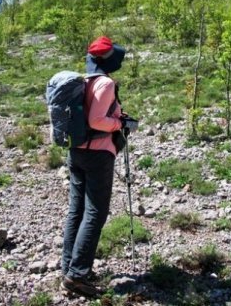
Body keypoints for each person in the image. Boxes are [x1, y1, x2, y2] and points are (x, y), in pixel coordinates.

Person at [61, 36, 138, 298]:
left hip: (76, 151)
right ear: (106, 60)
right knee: (95, 213)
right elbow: (97, 121)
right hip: (98, 155)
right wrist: (120, 125)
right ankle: (77, 275)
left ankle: (69, 267)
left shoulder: (83, 81)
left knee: (77, 210)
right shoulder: (104, 83)